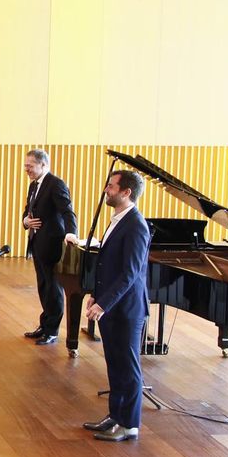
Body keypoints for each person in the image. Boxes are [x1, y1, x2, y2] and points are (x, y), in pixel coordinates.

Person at [75, 169, 151, 442]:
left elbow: (130, 273)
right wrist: (96, 295)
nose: (106, 190)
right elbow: (107, 265)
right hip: (111, 305)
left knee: (128, 368)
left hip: (126, 309)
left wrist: (104, 303)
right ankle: (115, 415)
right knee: (115, 364)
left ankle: (129, 424)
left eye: (111, 186)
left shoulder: (136, 226)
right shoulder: (118, 220)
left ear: (126, 192)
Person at [20, 149, 77, 345]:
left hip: (51, 244)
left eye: (30, 166)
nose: (26, 169)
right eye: (26, 165)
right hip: (37, 242)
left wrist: (71, 233)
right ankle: (45, 324)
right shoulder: (34, 185)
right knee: (43, 285)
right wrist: (26, 221)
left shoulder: (56, 184)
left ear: (43, 165)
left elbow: (68, 211)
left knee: (53, 288)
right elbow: (28, 211)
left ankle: (52, 330)